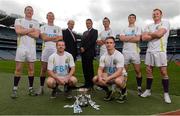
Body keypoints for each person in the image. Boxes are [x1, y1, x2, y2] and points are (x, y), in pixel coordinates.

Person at [141, 8, 171, 103]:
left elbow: (160, 34)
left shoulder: (165, 23)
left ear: (161, 15)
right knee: (149, 71)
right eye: (154, 14)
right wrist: (154, 34)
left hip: (160, 51)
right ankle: (148, 90)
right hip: (150, 51)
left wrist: (150, 34)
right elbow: (144, 38)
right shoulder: (148, 25)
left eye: (157, 14)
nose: (155, 15)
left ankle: (166, 94)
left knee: (163, 72)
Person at [11, 6, 40, 99]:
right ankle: (15, 90)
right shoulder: (18, 20)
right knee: (18, 69)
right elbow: (18, 31)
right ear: (24, 11)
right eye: (28, 10)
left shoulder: (36, 23)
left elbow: (36, 35)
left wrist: (24, 31)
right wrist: (31, 30)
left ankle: (30, 89)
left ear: (33, 12)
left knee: (31, 70)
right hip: (21, 47)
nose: (29, 12)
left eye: (31, 10)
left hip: (31, 49)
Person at [93, 36, 127, 103]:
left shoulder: (119, 55)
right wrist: (100, 77)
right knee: (95, 79)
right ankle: (109, 91)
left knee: (118, 81)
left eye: (111, 43)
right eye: (107, 43)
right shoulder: (103, 56)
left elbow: (119, 71)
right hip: (109, 74)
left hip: (121, 75)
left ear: (114, 44)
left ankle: (124, 92)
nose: (109, 44)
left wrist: (108, 79)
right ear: (105, 44)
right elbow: (100, 69)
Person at [36, 12, 63, 95]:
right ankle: (41, 88)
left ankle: (55, 88)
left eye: (52, 16)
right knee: (43, 69)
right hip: (46, 51)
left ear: (54, 18)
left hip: (55, 52)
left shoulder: (58, 28)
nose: (51, 17)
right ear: (47, 17)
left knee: (55, 70)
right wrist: (54, 37)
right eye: (49, 16)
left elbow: (60, 39)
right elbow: (44, 38)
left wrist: (49, 38)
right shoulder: (43, 27)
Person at [120, 14, 143, 96]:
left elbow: (137, 39)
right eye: (129, 17)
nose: (131, 19)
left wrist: (127, 38)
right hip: (125, 52)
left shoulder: (138, 28)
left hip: (135, 52)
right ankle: (123, 89)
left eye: (133, 17)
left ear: (135, 19)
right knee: (124, 72)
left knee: (138, 71)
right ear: (128, 19)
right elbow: (121, 38)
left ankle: (139, 88)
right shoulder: (124, 28)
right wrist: (132, 37)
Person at [80, 19, 98, 88]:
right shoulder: (84, 32)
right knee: (84, 69)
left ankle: (91, 84)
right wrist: (81, 47)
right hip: (83, 53)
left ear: (92, 23)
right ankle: (86, 83)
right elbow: (82, 42)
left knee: (90, 69)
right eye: (87, 23)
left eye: (89, 23)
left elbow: (92, 41)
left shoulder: (95, 31)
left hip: (89, 53)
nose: (88, 24)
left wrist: (84, 48)